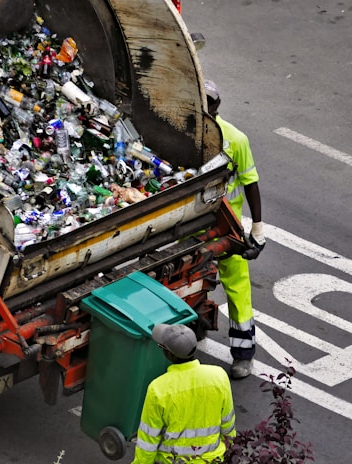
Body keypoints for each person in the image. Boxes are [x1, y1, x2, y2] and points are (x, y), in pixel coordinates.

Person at [204, 79, 265, 379]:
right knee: (191, 279)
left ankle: (243, 355)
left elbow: (251, 183)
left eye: (209, 101)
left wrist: (258, 228)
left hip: (227, 227)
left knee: (238, 289)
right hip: (193, 224)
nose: (205, 106)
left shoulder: (236, 140)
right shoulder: (184, 132)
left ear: (217, 104)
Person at [132, 323, 236, 464]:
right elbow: (228, 423)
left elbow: (148, 439)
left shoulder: (158, 389)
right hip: (213, 459)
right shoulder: (218, 376)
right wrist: (229, 448)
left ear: (168, 354)